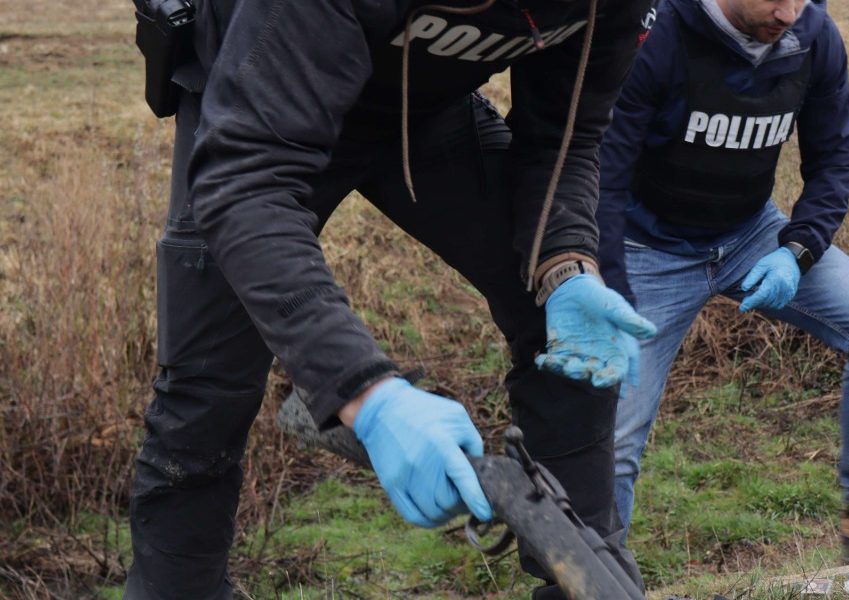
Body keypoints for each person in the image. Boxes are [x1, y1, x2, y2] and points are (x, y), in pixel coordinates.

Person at [124, 0, 660, 597]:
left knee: (570, 340)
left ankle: (589, 578)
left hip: (420, 106)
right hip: (261, 100)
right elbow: (246, 180)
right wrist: (366, 395)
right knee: (204, 395)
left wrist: (568, 264)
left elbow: (568, 137)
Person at [595, 0, 849, 563]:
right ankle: (602, 577)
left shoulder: (814, 37)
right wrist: (612, 294)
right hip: (651, 250)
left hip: (752, 235)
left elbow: (836, 157)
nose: (789, 12)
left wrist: (797, 249)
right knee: (615, 433)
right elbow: (603, 181)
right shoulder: (660, 37)